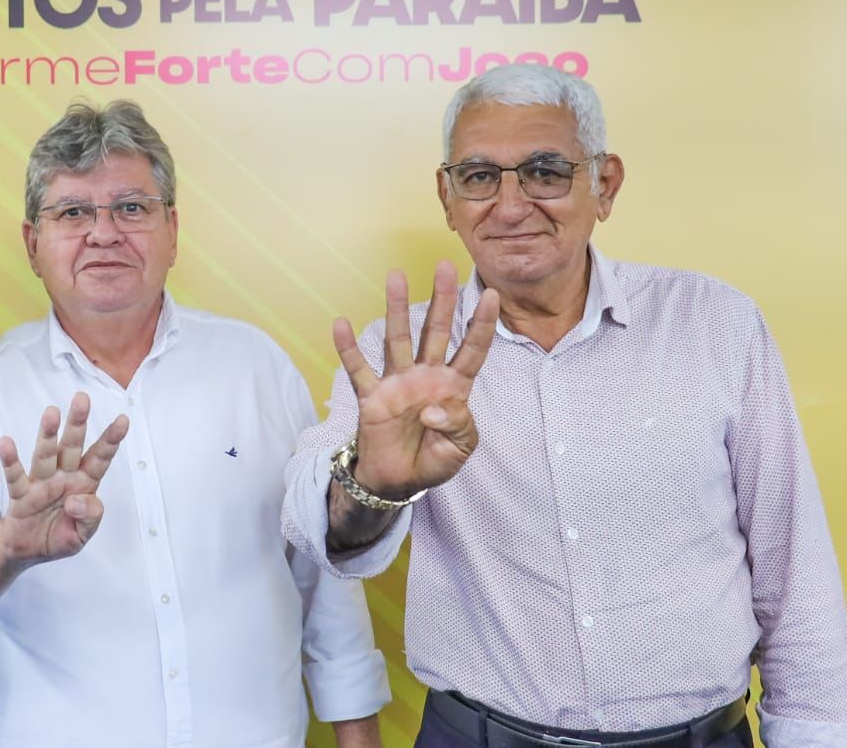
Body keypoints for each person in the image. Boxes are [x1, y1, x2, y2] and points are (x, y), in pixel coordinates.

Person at [281, 64, 847, 748]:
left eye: (545, 171)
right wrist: (374, 484)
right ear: (447, 195)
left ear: (604, 184)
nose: (511, 204)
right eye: (480, 176)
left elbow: (795, 578)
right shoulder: (401, 362)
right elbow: (316, 523)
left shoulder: (714, 323)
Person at [0, 100, 390, 748]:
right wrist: (6, 544)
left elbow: (320, 568)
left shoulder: (255, 365)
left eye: (131, 207)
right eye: (73, 211)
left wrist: (358, 735)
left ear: (173, 229)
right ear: (32, 243)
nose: (104, 232)